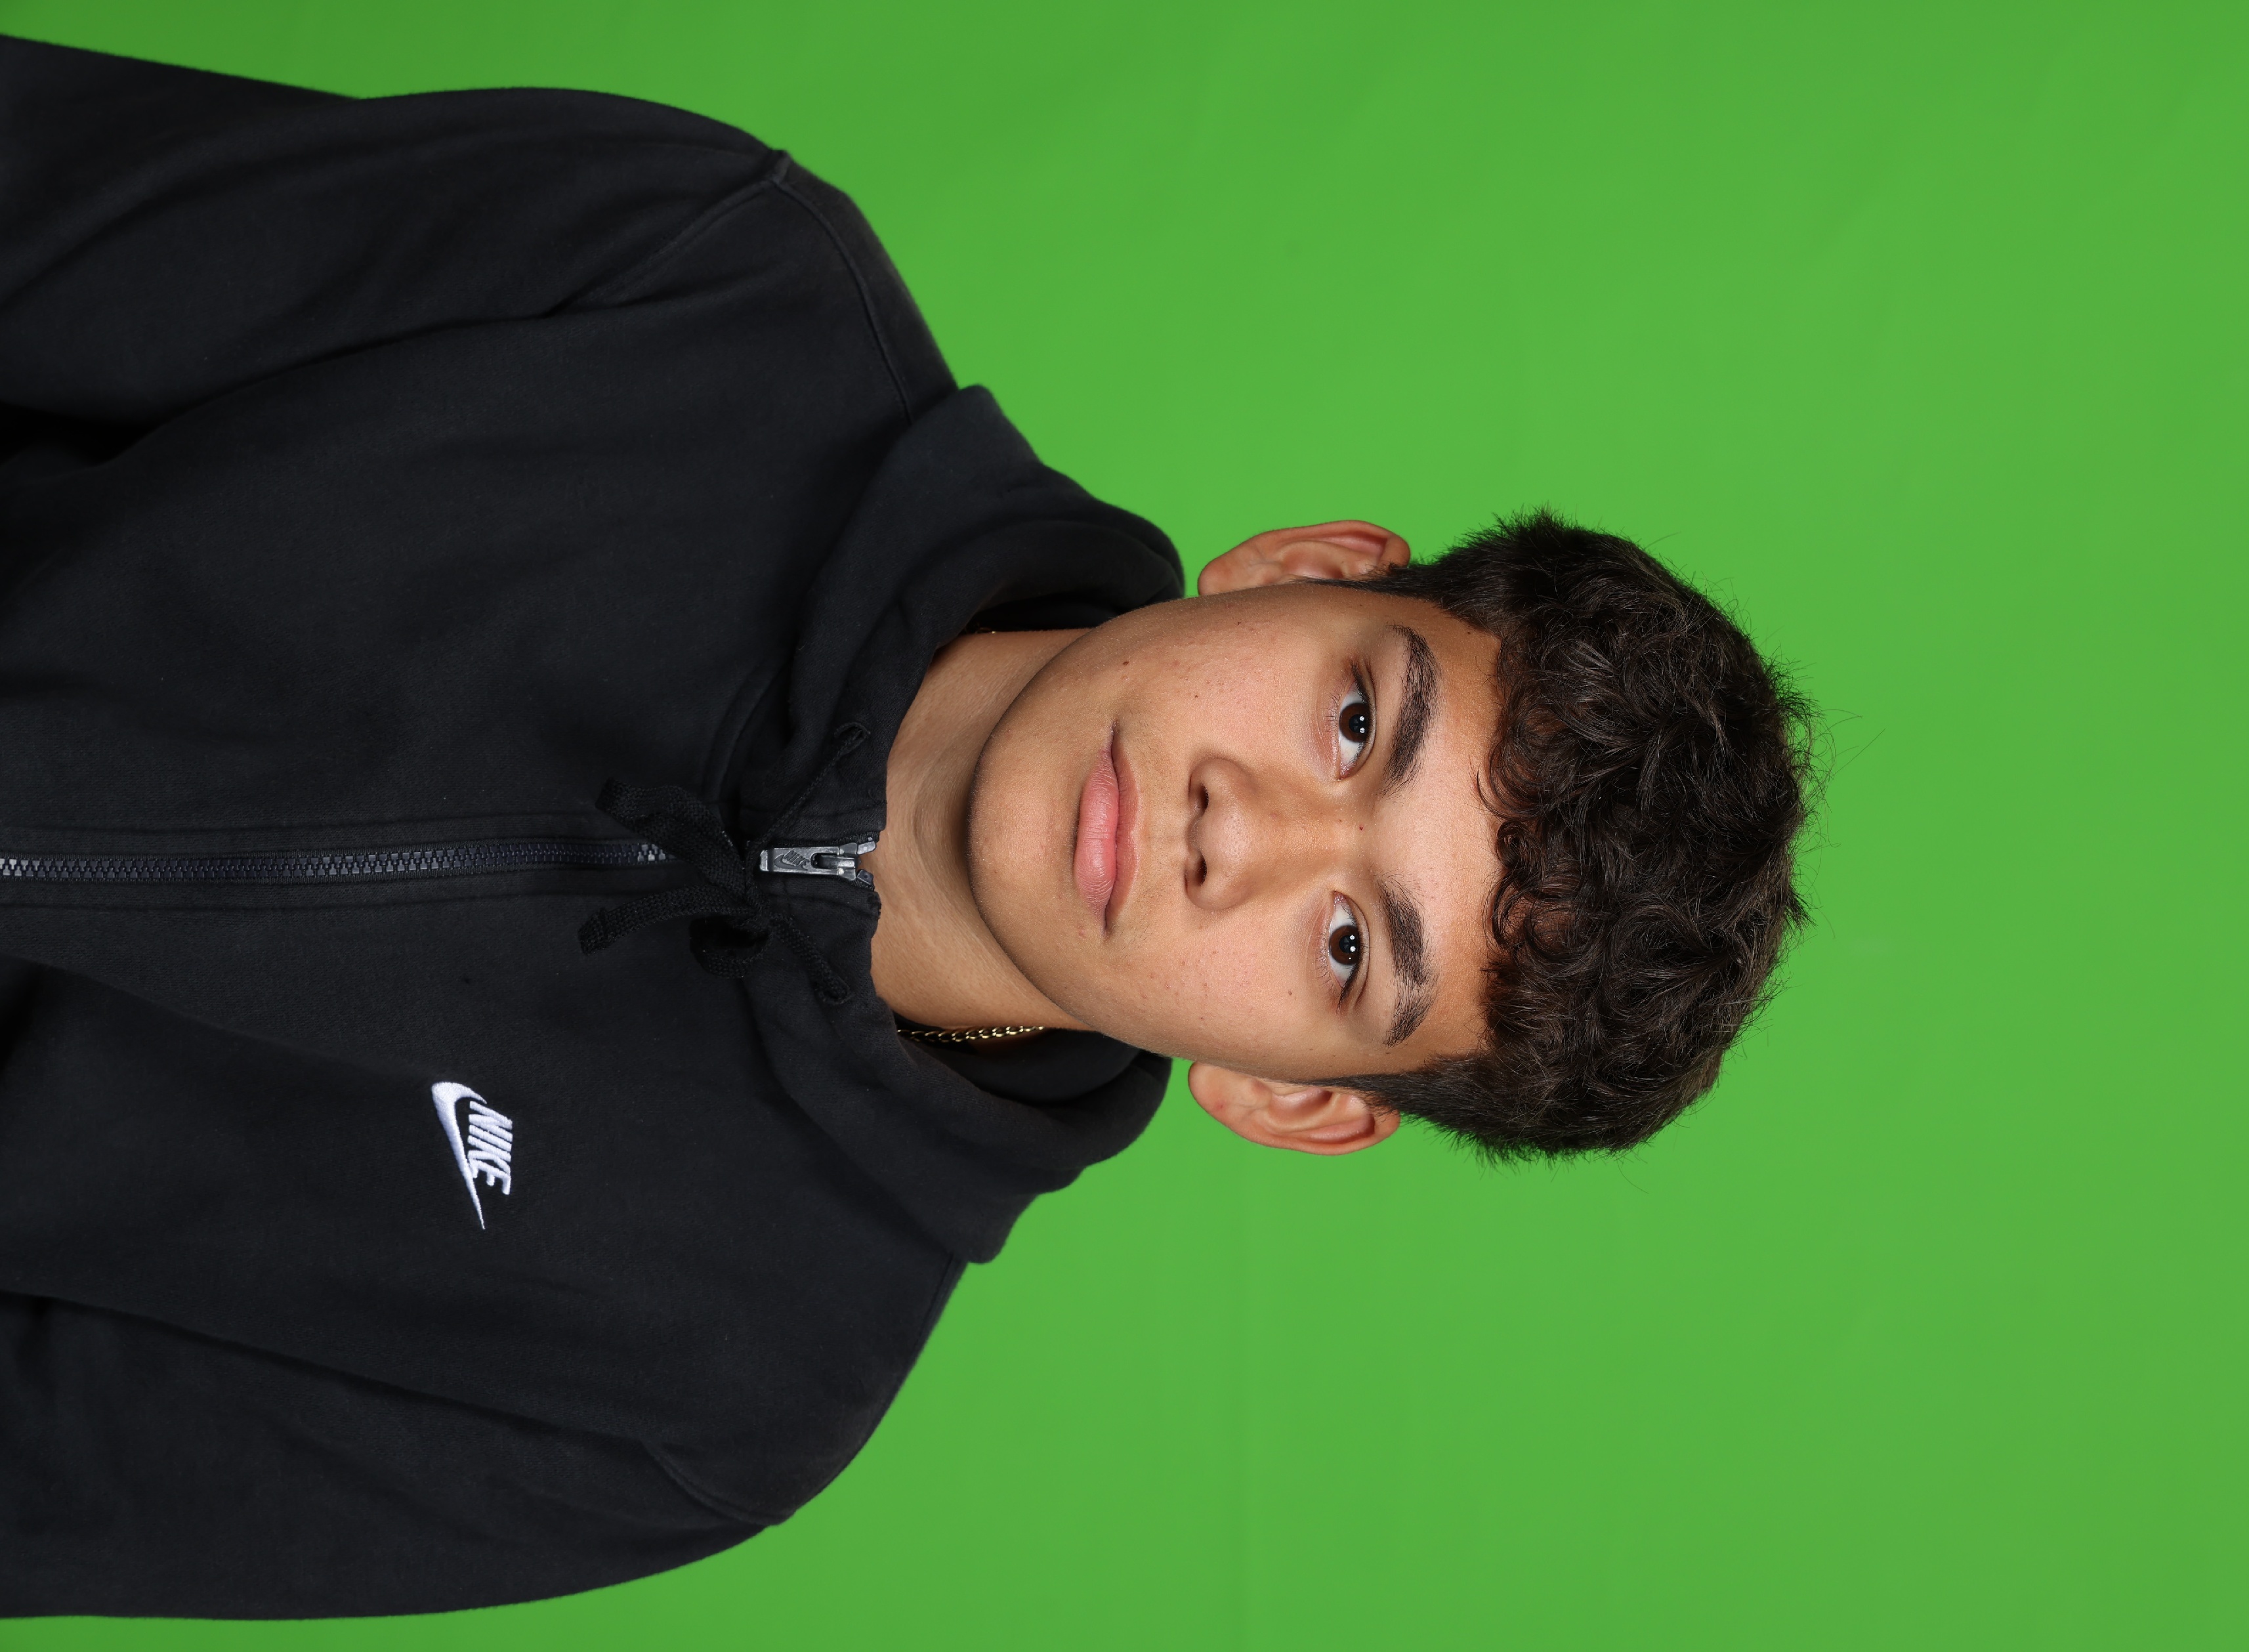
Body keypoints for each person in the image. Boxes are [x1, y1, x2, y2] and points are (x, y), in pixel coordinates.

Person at [0, 32, 1812, 1618]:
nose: (1239, 834)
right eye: (1355, 723)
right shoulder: (708, 281)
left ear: (1292, 1100)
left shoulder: (715, 1401)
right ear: (1302, 570)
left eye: (1348, 948)